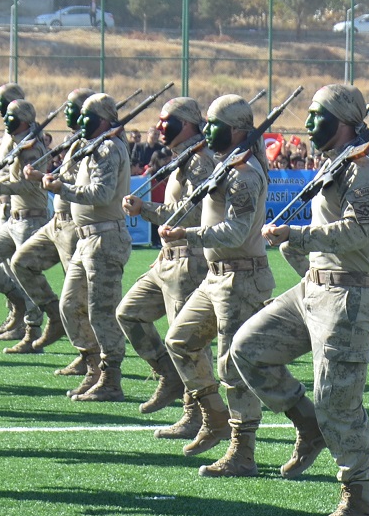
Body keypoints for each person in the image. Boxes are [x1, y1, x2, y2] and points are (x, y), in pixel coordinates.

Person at [229, 84, 369, 516]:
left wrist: (297, 237)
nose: (309, 124)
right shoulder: (337, 162)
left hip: (348, 299)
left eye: (319, 116)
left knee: (338, 402)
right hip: (311, 290)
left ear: (342, 121)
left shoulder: (364, 169)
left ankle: (357, 506)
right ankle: (306, 424)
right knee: (248, 348)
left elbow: (358, 230)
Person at [159, 94, 276, 471]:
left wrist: (187, 235)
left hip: (243, 277)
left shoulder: (245, 172)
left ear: (238, 131)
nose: (207, 131)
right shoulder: (226, 166)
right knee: (179, 340)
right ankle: (214, 416)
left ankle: (243, 451)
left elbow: (237, 229)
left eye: (215, 125)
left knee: (233, 367)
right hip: (216, 276)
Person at [117, 97, 215, 415]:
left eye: (166, 121)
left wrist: (144, 209)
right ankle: (169, 376)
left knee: (187, 341)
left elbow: (193, 212)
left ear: (186, 124)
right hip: (168, 258)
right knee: (129, 313)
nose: (159, 127)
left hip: (190, 259)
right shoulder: (184, 156)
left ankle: (196, 412)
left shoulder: (200, 161)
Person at [43, 93, 132, 402]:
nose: (82, 122)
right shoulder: (92, 148)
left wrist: (62, 189)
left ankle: (111, 377)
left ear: (105, 120)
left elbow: (103, 193)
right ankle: (93, 366)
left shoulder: (108, 149)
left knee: (102, 312)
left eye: (88, 117)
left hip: (105, 238)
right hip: (86, 239)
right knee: (69, 305)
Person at [12, 89, 98, 375]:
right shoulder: (75, 140)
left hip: (74, 224)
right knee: (21, 263)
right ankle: (54, 317)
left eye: (73, 108)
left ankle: (89, 356)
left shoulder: (96, 144)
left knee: (77, 295)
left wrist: (45, 178)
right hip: (55, 223)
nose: (66, 113)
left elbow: (79, 182)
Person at [0, 98, 50, 353]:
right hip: (14, 219)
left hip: (32, 219)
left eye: (13, 117)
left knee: (24, 272)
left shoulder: (32, 149)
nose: (6, 120)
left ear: (25, 121)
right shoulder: (15, 144)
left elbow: (30, 184)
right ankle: (17, 303)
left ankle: (32, 332)